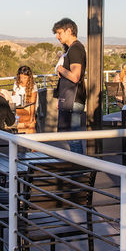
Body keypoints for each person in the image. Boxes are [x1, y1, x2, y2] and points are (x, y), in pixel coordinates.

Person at [52, 17, 86, 152]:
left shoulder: (76, 49)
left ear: (69, 31)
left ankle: (79, 167)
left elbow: (75, 76)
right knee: (70, 136)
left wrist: (60, 69)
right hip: (70, 98)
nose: (57, 36)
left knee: (73, 137)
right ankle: (77, 166)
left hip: (73, 99)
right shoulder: (72, 49)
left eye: (59, 33)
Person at [12, 65, 38, 134]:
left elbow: (33, 104)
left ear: (29, 77)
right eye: (21, 77)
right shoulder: (16, 84)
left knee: (30, 126)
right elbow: (13, 99)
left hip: (28, 110)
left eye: (25, 78)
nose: (22, 80)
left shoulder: (33, 86)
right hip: (18, 109)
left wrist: (32, 118)